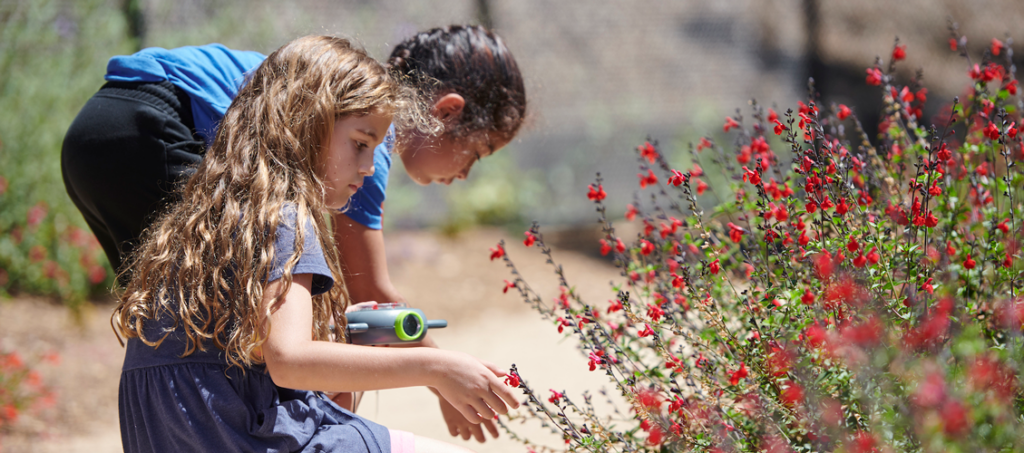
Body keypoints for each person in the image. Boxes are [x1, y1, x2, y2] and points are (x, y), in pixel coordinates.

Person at [61, 25, 526, 443]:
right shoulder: (350, 136)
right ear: (446, 112)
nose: (467, 174)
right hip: (151, 128)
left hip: (98, 129)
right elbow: (368, 295)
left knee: (195, 325)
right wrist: (440, 374)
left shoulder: (341, 128)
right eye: (478, 152)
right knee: (216, 338)